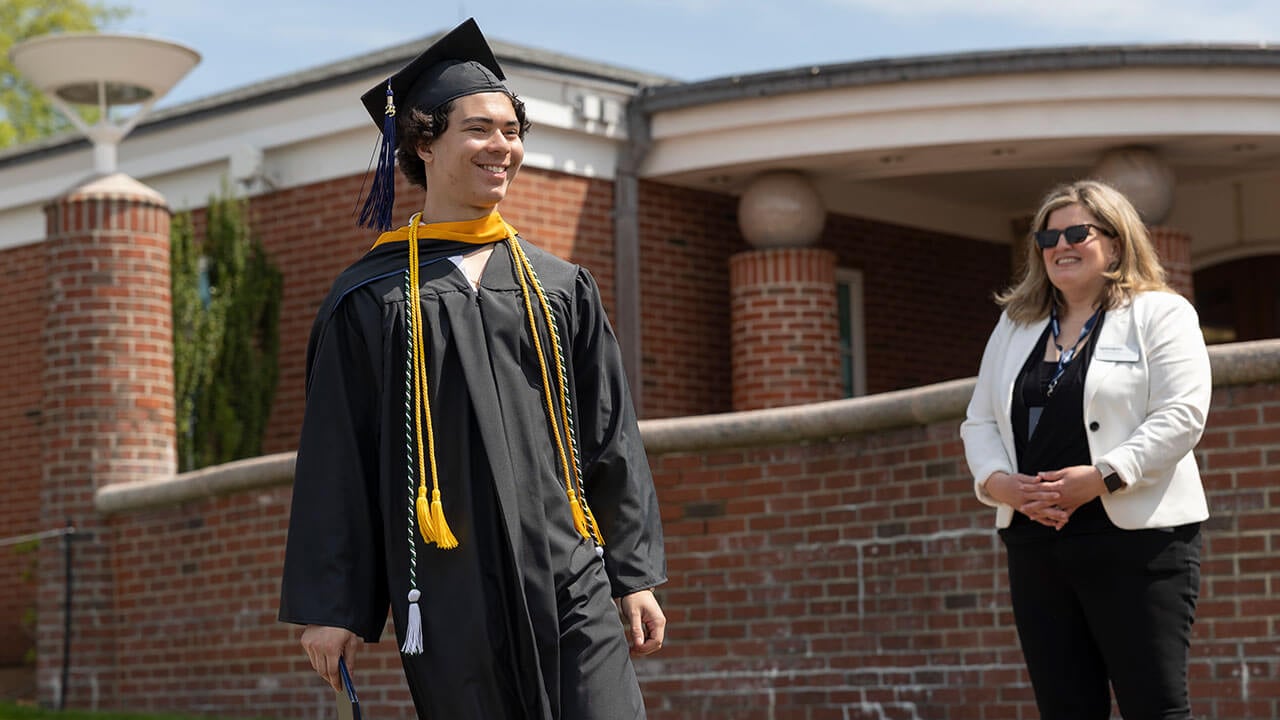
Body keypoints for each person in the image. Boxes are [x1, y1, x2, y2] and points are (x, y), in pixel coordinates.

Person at [278, 19, 667, 719]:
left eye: (513, 131)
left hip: (569, 573)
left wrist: (632, 574)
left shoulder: (558, 286)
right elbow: (339, 456)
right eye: (480, 130)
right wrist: (331, 606)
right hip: (446, 581)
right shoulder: (371, 298)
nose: (505, 147)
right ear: (423, 143)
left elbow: (610, 434)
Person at [961, 179, 1211, 719]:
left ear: (1117, 243)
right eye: (1046, 237)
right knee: (1066, 709)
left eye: (1078, 231)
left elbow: (1182, 416)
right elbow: (978, 421)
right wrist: (1000, 484)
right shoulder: (1015, 324)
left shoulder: (1161, 315)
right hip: (1036, 542)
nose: (1060, 245)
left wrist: (1102, 477)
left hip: (1137, 543)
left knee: (1155, 708)